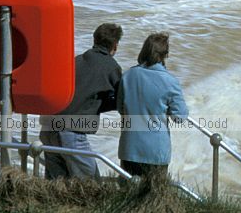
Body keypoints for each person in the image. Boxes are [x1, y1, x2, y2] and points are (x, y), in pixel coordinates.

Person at [39, 23, 123, 179]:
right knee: (91, 184)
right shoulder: (111, 67)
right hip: (70, 132)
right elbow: (122, 101)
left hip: (48, 128)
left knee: (56, 184)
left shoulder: (76, 60)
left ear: (95, 40)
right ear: (115, 45)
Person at [118, 32, 188, 179]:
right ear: (165, 55)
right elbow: (180, 117)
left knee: (127, 193)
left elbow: (120, 108)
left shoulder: (128, 76)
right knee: (153, 194)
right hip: (156, 150)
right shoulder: (170, 81)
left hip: (129, 147)